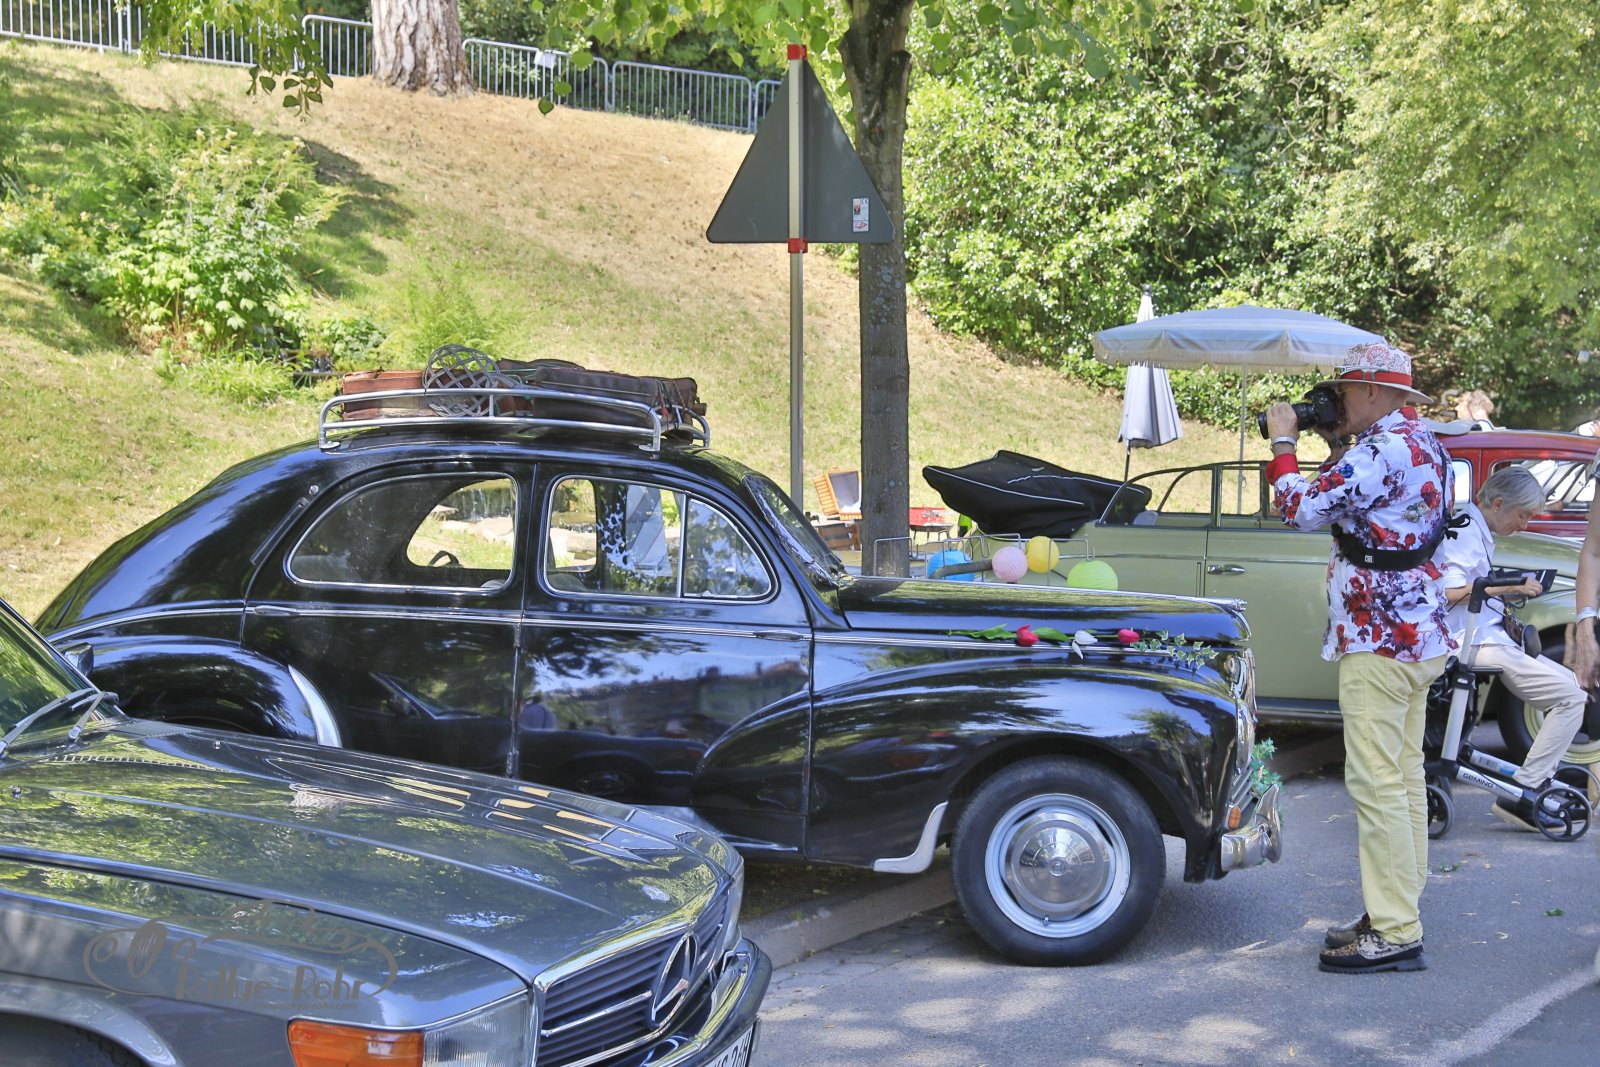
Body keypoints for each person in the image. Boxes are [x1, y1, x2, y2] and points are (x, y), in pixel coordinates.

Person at [1264, 341, 1454, 975]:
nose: (1335, 400)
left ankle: (1396, 931)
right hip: (1419, 636)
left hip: (1379, 641)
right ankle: (1396, 907)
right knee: (1403, 778)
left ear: (1372, 390)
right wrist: (1333, 444)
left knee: (1376, 785)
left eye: (1343, 390)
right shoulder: (1425, 444)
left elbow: (1300, 510)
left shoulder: (1378, 451)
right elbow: (1363, 507)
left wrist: (1284, 443)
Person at [1434, 466, 1589, 830]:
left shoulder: (1472, 527)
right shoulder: (1466, 533)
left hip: (1483, 638)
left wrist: (1508, 588)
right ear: (1499, 504)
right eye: (1523, 515)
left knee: (1573, 689)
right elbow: (1448, 593)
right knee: (1571, 698)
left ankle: (1534, 779)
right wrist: (1511, 588)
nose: (1524, 524)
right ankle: (1526, 790)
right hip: (1471, 642)